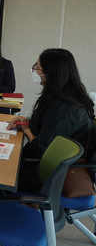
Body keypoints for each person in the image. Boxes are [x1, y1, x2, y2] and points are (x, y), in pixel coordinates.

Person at [7, 48, 95, 193]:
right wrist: (25, 121)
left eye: (38, 68)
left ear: (52, 74)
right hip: (46, 167)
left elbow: (43, 150)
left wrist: (26, 129)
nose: (35, 71)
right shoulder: (62, 96)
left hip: (47, 175)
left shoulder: (65, 107)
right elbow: (46, 126)